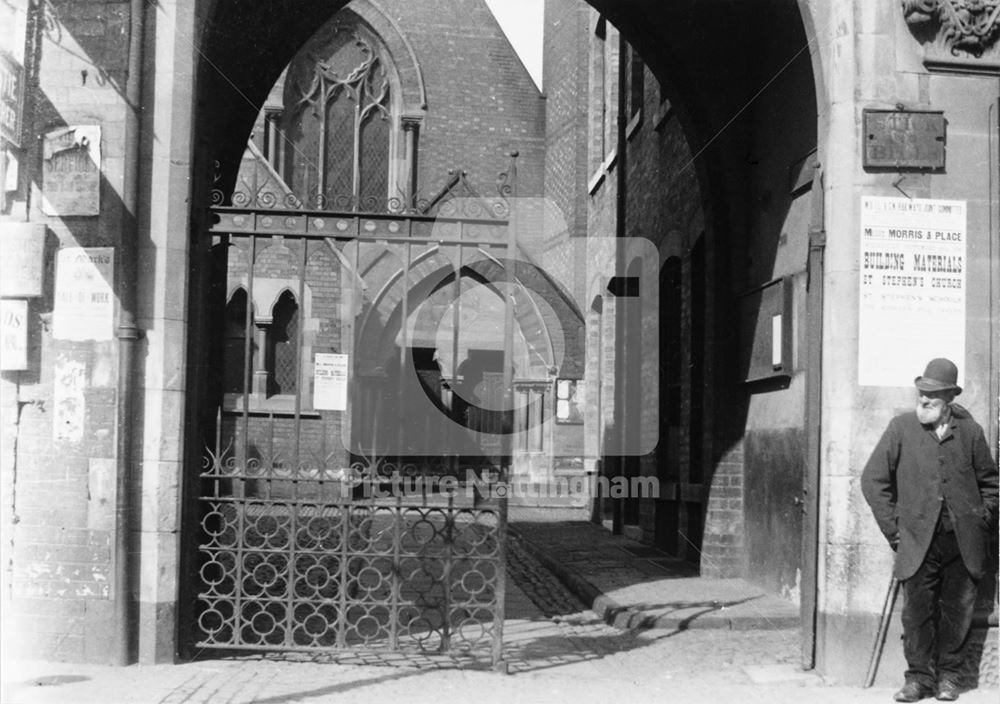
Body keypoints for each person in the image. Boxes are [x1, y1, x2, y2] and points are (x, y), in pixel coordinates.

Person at [861, 358, 998, 702]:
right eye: (920, 395)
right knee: (917, 614)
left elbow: (990, 483)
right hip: (916, 541)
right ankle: (918, 679)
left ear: (949, 399)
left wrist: (981, 516)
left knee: (958, 610)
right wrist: (894, 530)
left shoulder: (970, 432)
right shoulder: (901, 428)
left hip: (962, 541)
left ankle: (950, 678)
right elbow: (872, 480)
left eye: (931, 399)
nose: (922, 402)